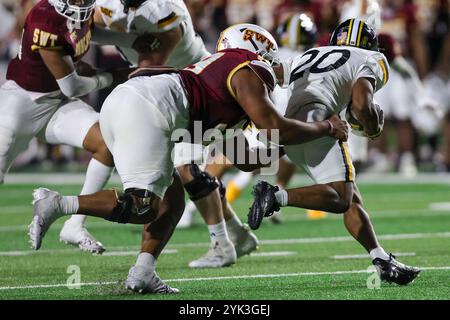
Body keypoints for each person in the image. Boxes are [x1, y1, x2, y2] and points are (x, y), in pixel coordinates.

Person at [28, 23, 348, 294]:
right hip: (152, 107)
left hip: (139, 105)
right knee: (142, 205)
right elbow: (274, 126)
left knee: (172, 200)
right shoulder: (247, 66)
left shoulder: (220, 86)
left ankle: (143, 271)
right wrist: (326, 126)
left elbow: (249, 159)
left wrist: (281, 145)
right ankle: (58, 204)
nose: (274, 72)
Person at [248, 19, 421, 286]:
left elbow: (275, 75)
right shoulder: (372, 57)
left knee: (351, 198)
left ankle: (381, 259)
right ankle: (276, 196)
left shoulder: (310, 53)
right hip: (319, 125)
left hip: (290, 129)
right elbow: (363, 105)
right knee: (341, 198)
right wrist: (372, 127)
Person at [92, 0, 259, 269]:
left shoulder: (164, 9)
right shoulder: (112, 6)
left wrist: (99, 74)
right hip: (171, 93)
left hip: (197, 90)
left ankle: (224, 244)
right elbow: (91, 24)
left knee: (189, 168)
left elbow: (148, 64)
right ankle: (236, 236)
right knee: (188, 170)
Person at [0, 0, 126, 254]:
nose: (81, 2)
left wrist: (135, 39)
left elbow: (95, 29)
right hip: (21, 104)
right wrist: (111, 77)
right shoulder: (44, 18)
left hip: (56, 102)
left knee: (107, 142)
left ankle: (75, 226)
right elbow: (73, 86)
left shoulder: (84, 12)